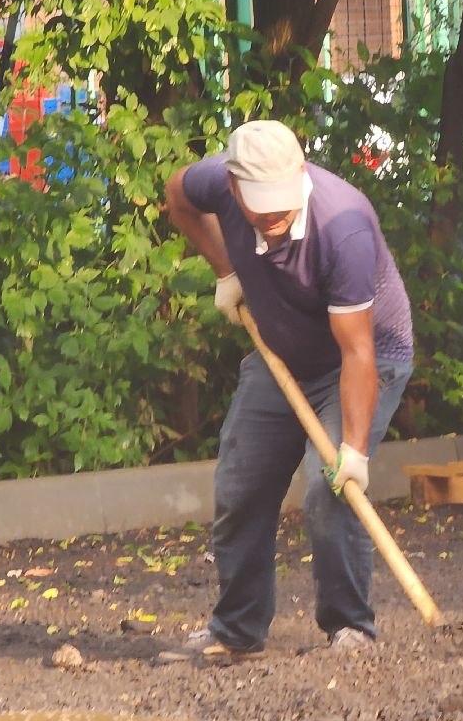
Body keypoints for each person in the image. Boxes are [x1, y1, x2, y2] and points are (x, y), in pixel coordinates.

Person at [161, 119, 414, 661]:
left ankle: (351, 632)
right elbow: (177, 195)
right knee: (240, 482)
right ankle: (237, 630)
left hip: (367, 355)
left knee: (330, 488)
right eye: (260, 204)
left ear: (300, 173)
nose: (274, 216)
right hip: (283, 353)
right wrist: (226, 269)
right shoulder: (214, 183)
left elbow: (358, 353)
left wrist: (352, 451)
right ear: (232, 187)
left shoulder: (343, 227)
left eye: (283, 202)